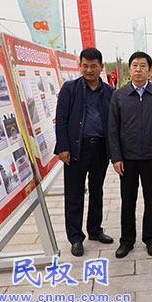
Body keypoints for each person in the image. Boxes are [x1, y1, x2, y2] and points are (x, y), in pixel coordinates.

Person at [108, 51, 152, 258]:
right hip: (127, 158)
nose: (138, 69)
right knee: (128, 200)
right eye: (134, 65)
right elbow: (112, 129)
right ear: (129, 69)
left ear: (149, 69)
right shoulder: (119, 95)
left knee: (151, 199)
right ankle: (127, 240)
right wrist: (116, 157)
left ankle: (151, 239)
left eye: (143, 65)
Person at [54, 47, 115, 257]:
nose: (89, 70)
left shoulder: (109, 92)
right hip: (76, 149)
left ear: (101, 67)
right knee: (74, 193)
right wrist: (63, 147)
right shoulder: (70, 89)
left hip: (100, 149)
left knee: (97, 190)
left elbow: (114, 123)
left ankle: (95, 230)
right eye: (85, 66)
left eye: (93, 66)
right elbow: (60, 120)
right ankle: (75, 237)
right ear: (80, 66)